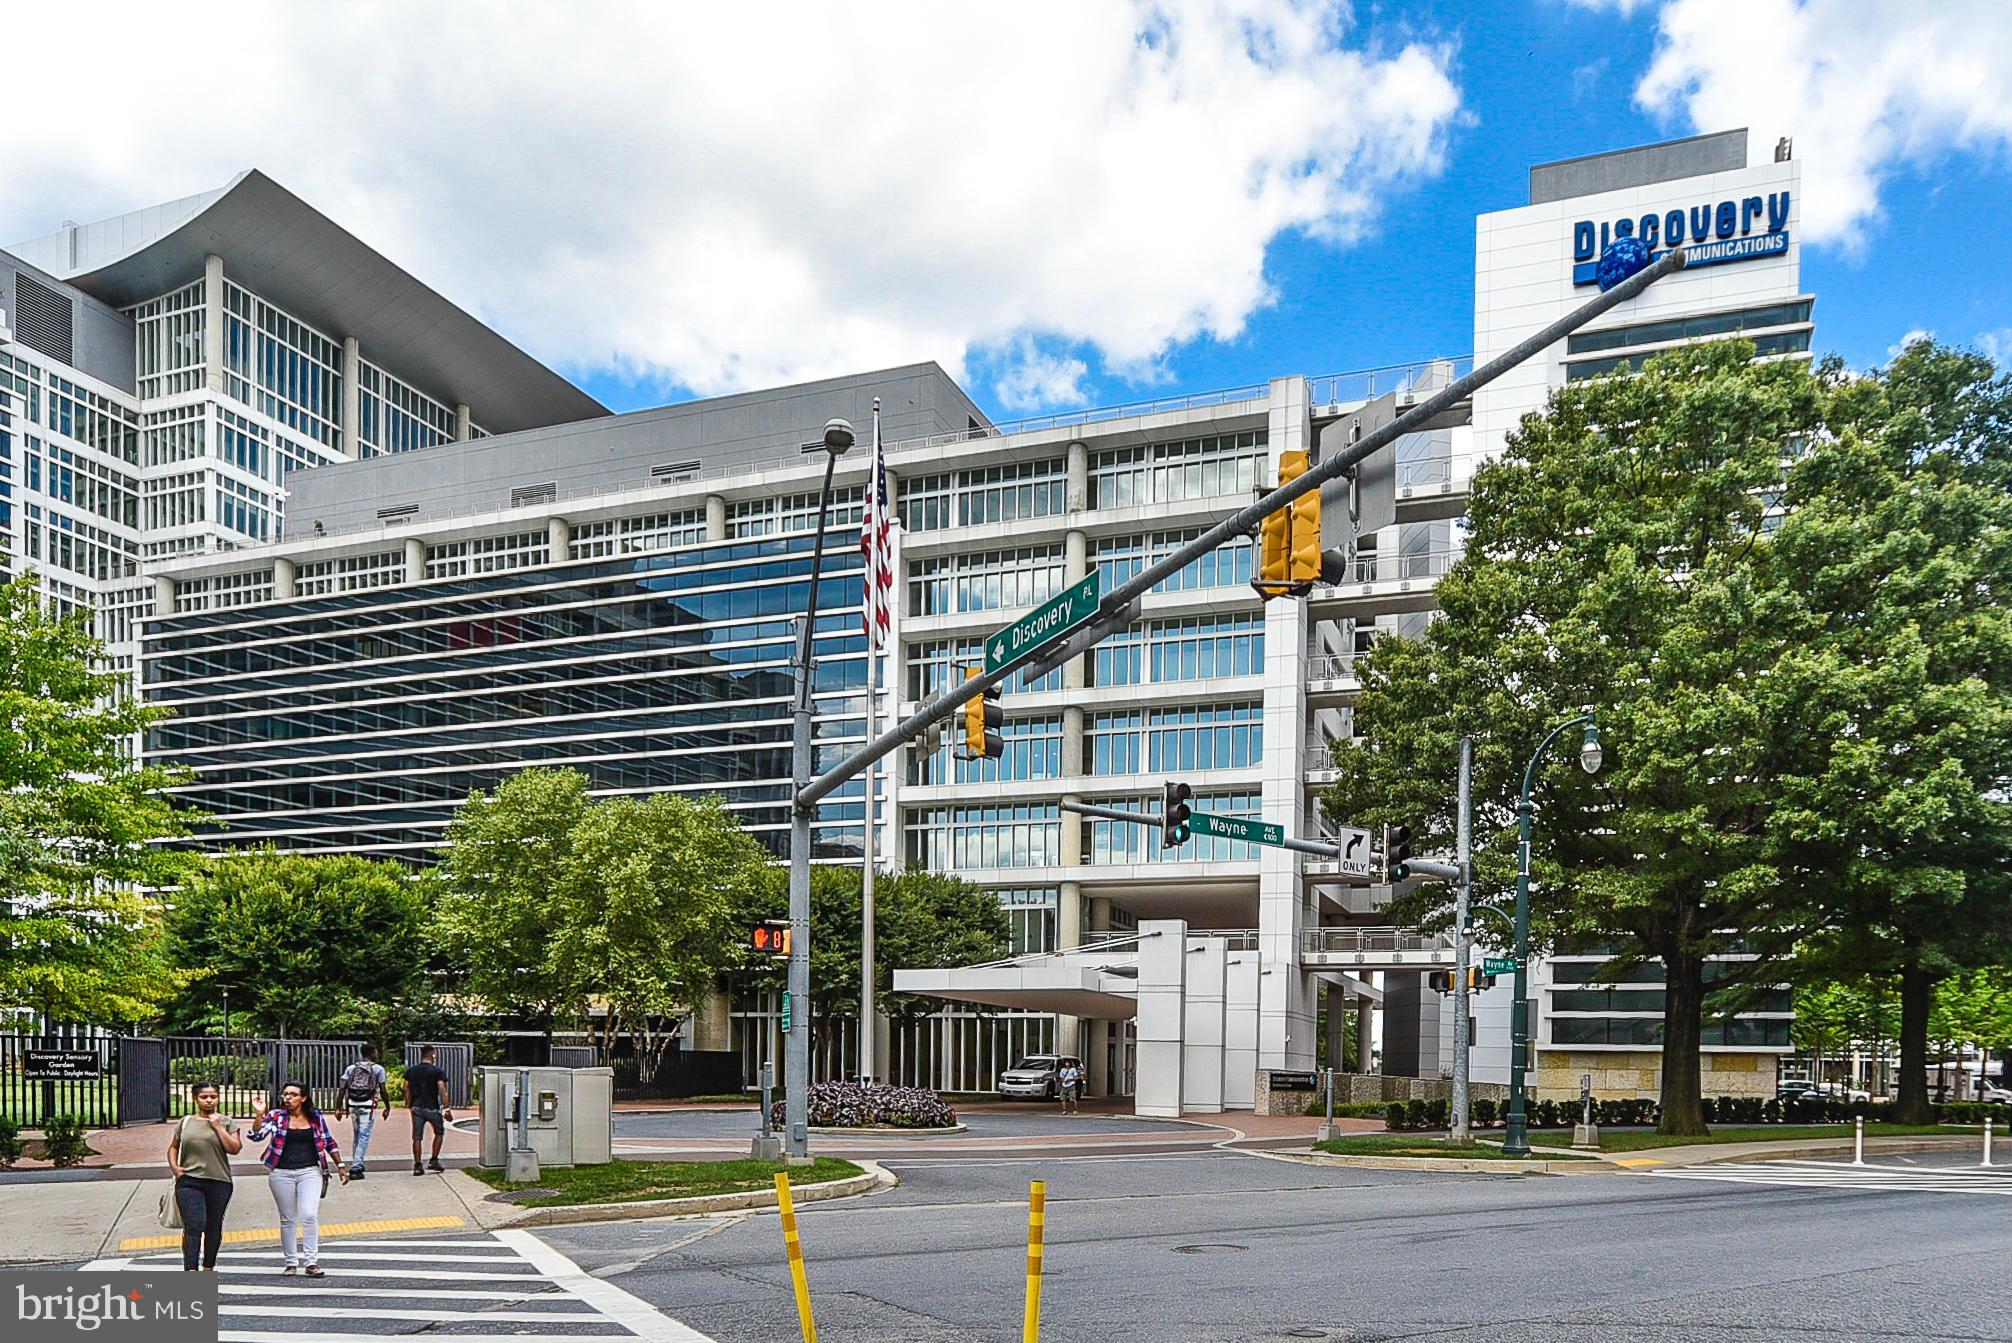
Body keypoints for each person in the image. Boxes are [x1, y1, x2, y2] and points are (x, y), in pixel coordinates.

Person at [249, 1082, 347, 1275]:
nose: (288, 1098)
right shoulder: (277, 1116)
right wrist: (260, 1113)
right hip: (281, 1172)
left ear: (303, 1098)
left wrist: (341, 1165)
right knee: (288, 1219)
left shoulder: (315, 1117)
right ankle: (291, 1262)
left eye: (293, 1094)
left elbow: (328, 1141)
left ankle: (311, 1263)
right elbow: (256, 1135)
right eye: (285, 1094)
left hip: (310, 1171)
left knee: (309, 1214)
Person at [167, 1082, 242, 1272]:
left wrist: (218, 1127)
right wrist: (175, 1167)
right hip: (189, 1181)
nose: (209, 1101)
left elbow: (234, 1148)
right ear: (195, 1099)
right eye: (204, 1097)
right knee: (194, 1224)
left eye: (213, 1097)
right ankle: (191, 1269)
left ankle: (208, 1267)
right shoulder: (185, 1122)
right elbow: (174, 1146)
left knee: (213, 1226)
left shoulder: (226, 1122)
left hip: (219, 1181)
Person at [333, 1044, 390, 1180]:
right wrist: (387, 1106)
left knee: (357, 1135)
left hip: (353, 1105)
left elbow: (342, 1088)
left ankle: (357, 1162)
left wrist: (338, 1107)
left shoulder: (351, 1068)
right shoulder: (378, 1069)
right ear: (372, 1053)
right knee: (364, 1136)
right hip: (368, 1105)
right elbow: (383, 1089)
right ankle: (357, 1166)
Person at [404, 1045, 452, 1176]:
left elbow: (406, 1088)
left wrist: (408, 1103)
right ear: (432, 1055)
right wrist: (447, 1108)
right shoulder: (437, 1071)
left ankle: (418, 1165)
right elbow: (442, 1089)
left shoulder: (412, 1070)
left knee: (417, 1137)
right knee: (439, 1132)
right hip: (432, 1107)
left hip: (417, 1107)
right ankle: (434, 1160)